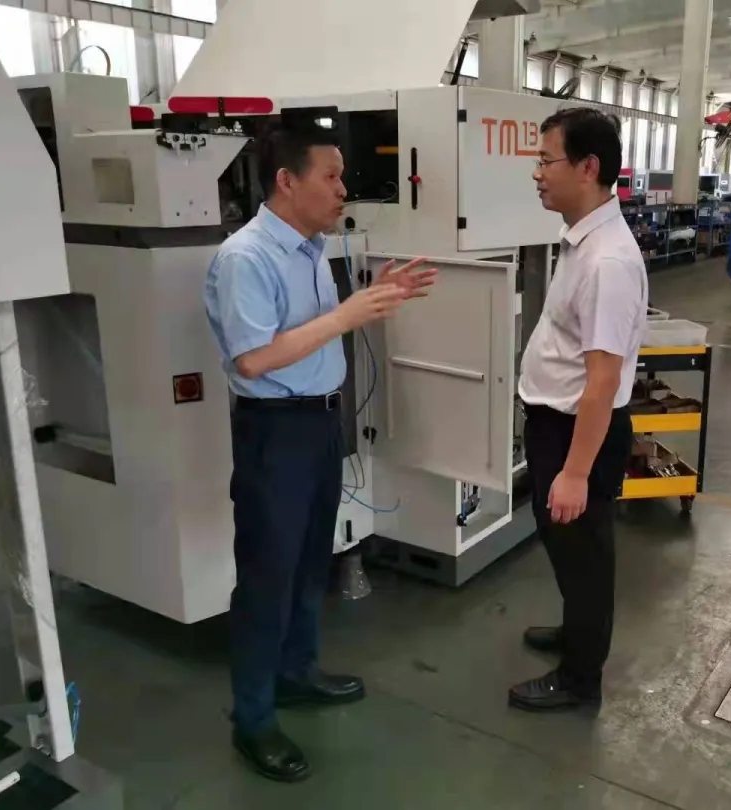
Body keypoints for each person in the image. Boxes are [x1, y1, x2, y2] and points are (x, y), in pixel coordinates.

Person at [204, 121, 436, 781]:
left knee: (311, 561)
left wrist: (371, 296)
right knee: (267, 578)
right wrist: (346, 315)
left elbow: (309, 334)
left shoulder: (310, 249)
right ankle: (253, 720)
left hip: (318, 424)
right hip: (274, 432)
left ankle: (296, 672)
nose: (343, 189)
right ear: (287, 181)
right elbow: (253, 360)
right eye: (330, 176)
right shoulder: (246, 258)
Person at [509, 107, 648, 712]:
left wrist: (574, 472)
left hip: (578, 433)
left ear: (588, 167)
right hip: (558, 425)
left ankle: (579, 679)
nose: (537, 173)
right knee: (567, 549)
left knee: (585, 556)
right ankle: (576, 632)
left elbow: (603, 380)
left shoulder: (606, 262)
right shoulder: (583, 241)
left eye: (547, 160)